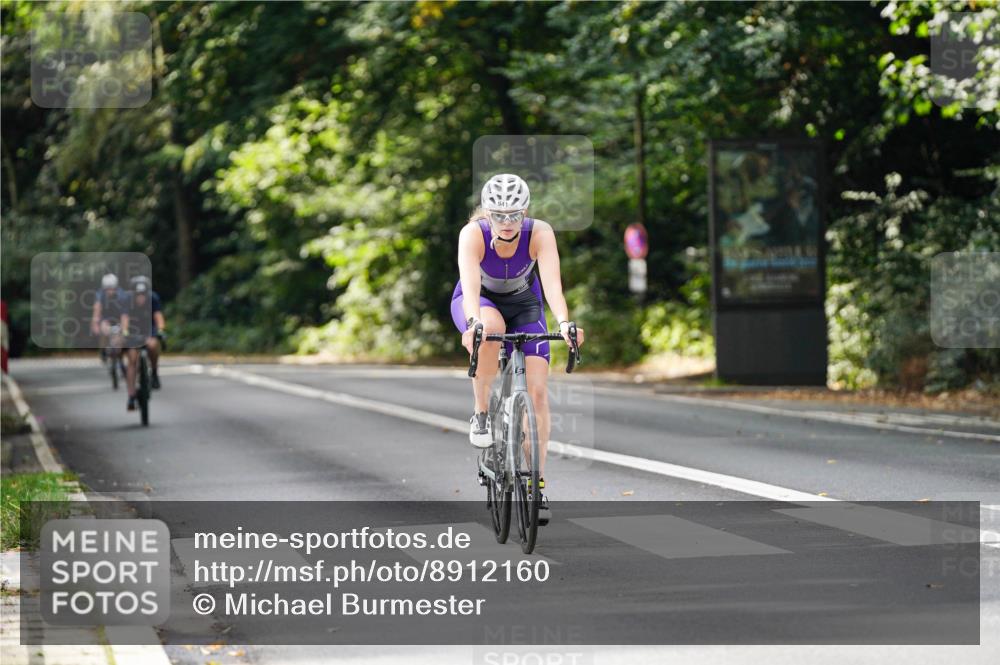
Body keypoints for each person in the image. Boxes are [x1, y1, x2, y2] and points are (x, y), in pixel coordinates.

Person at [450, 173, 584, 520]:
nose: (507, 223)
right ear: (487, 212)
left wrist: (565, 323)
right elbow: (470, 287)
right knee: (490, 328)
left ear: (525, 211)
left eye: (514, 215)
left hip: (526, 303)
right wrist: (473, 323)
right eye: (499, 215)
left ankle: (536, 486)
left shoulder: (540, 233)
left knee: (537, 393)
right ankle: (481, 413)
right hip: (481, 302)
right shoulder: (473, 234)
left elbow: (552, 285)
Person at [121, 275, 166, 411]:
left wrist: (160, 330)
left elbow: (158, 316)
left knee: (153, 345)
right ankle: (131, 395)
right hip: (133, 330)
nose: (140, 298)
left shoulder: (153, 298)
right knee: (132, 360)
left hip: (148, 329)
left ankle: (154, 373)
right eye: (138, 295)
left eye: (143, 294)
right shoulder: (127, 300)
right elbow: (125, 318)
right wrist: (125, 333)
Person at [90, 273, 128, 364]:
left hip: (119, 318)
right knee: (104, 330)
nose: (109, 291)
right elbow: (97, 308)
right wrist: (95, 323)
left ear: (116, 287)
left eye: (112, 288)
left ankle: (120, 355)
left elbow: (125, 314)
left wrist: (125, 328)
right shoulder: (100, 294)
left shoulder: (122, 295)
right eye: (107, 289)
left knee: (120, 338)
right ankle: (103, 350)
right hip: (106, 318)